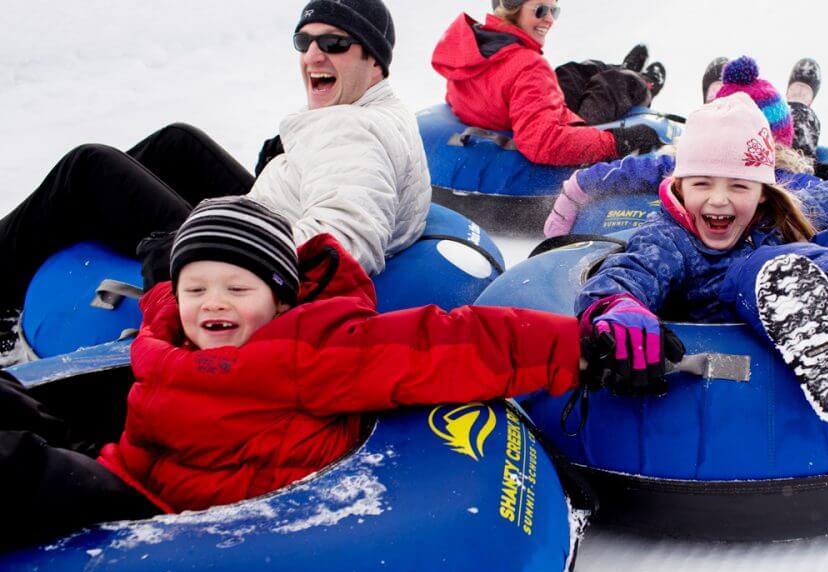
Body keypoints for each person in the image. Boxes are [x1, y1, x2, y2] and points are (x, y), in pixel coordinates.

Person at [0, 197, 581, 550]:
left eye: (236, 288)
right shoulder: (170, 333)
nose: (212, 304)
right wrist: (163, 276)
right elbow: (164, 302)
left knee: (21, 468)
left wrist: (579, 348)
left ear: (280, 300)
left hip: (172, 515)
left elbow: (450, 343)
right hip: (130, 468)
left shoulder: (312, 349)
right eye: (195, 290)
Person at [0, 0, 430, 368]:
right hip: (270, 218)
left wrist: (225, 249)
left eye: (334, 43)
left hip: (244, 258)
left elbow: (347, 242)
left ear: (375, 59)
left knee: (89, 168)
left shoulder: (351, 134)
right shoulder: (371, 112)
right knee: (178, 142)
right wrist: (289, 166)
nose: (314, 55)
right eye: (305, 42)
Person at [575, 94, 828, 423]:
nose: (718, 199)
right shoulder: (668, 240)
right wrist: (617, 308)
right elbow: (626, 275)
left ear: (762, 191)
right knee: (757, 267)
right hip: (751, 308)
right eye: (702, 183)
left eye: (739, 186)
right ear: (680, 186)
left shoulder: (783, 212)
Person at [545, 56, 828, 238]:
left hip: (778, 146)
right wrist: (577, 189)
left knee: (800, 134)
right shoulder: (694, 161)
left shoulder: (781, 175)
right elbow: (636, 170)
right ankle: (786, 102)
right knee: (794, 138)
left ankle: (797, 99)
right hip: (769, 140)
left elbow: (827, 198)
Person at [431, 0, 668, 167]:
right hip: (556, 128)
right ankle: (642, 82)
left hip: (517, 108)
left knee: (571, 72)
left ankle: (620, 67)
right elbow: (543, 142)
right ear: (512, 8)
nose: (549, 19)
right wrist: (618, 141)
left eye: (554, 11)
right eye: (540, 10)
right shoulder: (529, 65)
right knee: (614, 84)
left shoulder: (474, 49)